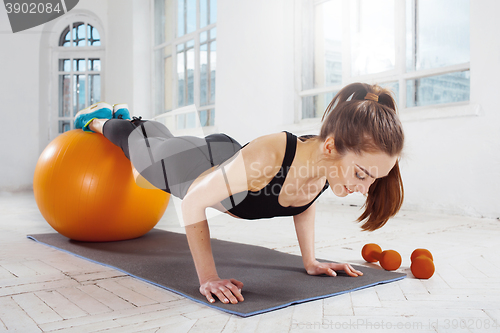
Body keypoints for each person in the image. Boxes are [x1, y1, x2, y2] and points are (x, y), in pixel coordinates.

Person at [74, 82, 404, 305]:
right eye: (362, 174)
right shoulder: (274, 156)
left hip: (226, 160)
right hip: (190, 171)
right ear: (331, 147)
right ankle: (98, 120)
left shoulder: (325, 162)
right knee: (141, 152)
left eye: (374, 179)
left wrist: (310, 261)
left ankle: (130, 118)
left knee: (158, 141)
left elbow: (303, 202)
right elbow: (192, 203)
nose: (364, 189)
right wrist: (208, 278)